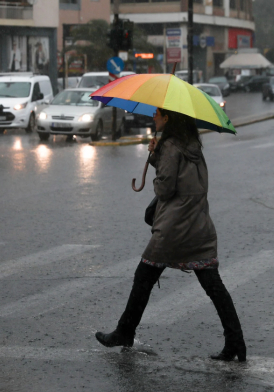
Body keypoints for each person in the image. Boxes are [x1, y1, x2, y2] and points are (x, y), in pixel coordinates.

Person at [95, 108, 246, 363]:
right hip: (197, 225)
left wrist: (156, 156)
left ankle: (124, 332)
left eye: (157, 114)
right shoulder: (191, 145)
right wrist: (157, 155)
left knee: (144, 276)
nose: (153, 117)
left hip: (174, 227)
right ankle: (236, 342)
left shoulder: (172, 147)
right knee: (213, 285)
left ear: (168, 118)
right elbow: (183, 178)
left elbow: (165, 188)